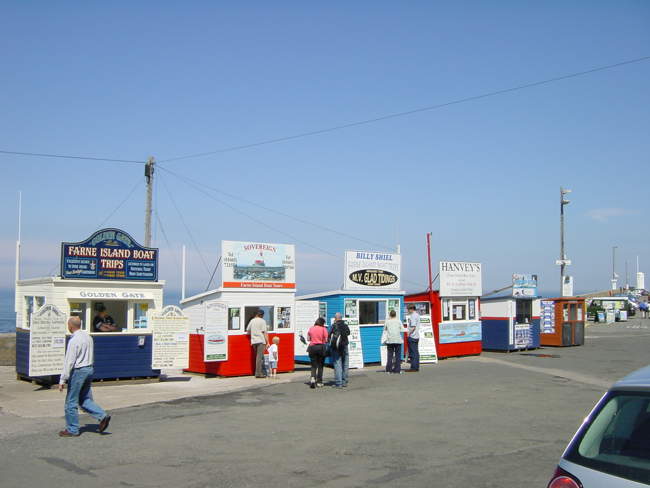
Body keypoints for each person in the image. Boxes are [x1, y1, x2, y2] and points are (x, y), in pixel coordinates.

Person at [58, 316, 111, 437]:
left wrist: (63, 379)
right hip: (89, 369)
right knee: (83, 399)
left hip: (79, 371)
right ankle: (102, 416)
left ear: (70, 326)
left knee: (71, 401)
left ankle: (72, 429)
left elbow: (69, 361)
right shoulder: (88, 337)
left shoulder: (74, 341)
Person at [246, 309, 269, 378]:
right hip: (261, 341)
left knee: (257, 357)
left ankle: (258, 372)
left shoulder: (252, 320)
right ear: (262, 315)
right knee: (259, 358)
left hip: (254, 341)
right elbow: (264, 332)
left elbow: (248, 330)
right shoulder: (262, 321)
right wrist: (267, 342)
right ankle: (258, 373)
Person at [329, 312, 350, 388]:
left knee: (337, 364)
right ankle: (344, 382)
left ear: (335, 318)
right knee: (345, 363)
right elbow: (348, 333)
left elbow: (329, 334)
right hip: (345, 346)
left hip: (336, 347)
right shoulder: (345, 325)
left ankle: (338, 383)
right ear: (341, 318)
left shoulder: (334, 326)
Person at [307, 317, 328, 388]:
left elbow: (308, 338)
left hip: (312, 348)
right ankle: (319, 382)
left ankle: (313, 378)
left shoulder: (311, 328)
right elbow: (326, 339)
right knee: (320, 365)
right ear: (322, 323)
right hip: (320, 347)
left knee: (313, 365)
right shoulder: (323, 329)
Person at [383, 309, 404, 374]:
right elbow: (402, 329)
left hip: (390, 340)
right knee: (398, 356)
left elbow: (385, 329)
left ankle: (389, 370)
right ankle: (397, 370)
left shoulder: (387, 321)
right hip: (398, 340)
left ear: (390, 315)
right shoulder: (398, 321)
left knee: (390, 355)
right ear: (395, 315)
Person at [406, 304, 420, 372]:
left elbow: (413, 326)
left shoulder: (413, 316)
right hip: (416, 336)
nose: (407, 311)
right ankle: (416, 367)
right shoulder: (417, 315)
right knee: (416, 352)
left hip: (412, 336)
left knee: (413, 353)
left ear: (411, 309)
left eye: (408, 309)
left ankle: (413, 367)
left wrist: (409, 333)